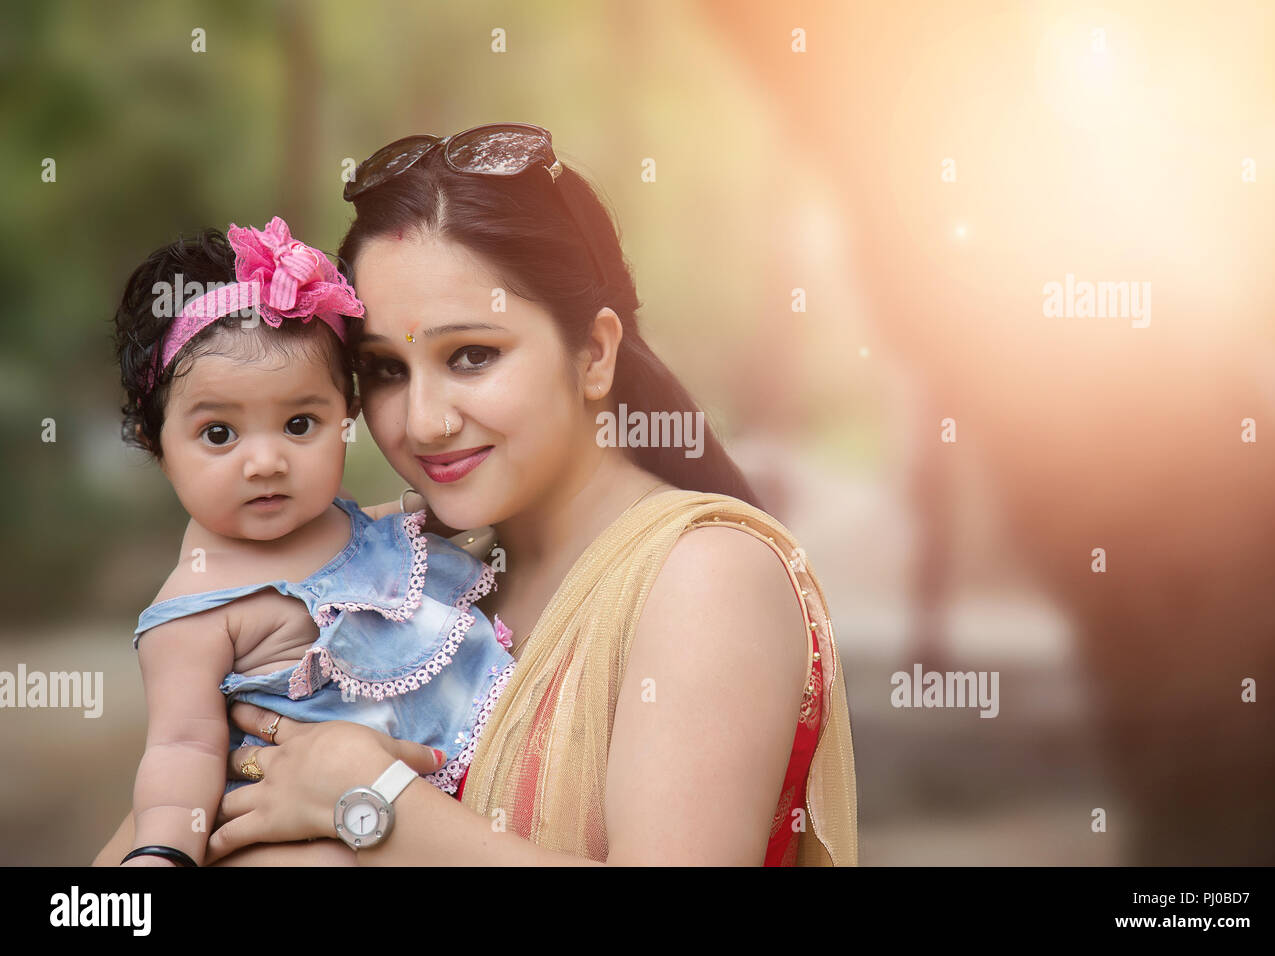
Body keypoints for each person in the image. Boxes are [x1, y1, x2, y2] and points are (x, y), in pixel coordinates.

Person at [96, 123, 857, 866]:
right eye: (387, 370)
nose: (425, 422)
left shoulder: (705, 578)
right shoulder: (390, 569)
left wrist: (366, 796)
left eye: (471, 356)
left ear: (593, 354)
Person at [105, 217, 515, 867]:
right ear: (159, 447)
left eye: (300, 424)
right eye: (219, 434)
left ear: (344, 418)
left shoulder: (342, 522)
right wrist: (160, 853)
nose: (266, 462)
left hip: (470, 777)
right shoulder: (191, 611)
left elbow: (392, 537)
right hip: (316, 825)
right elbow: (183, 750)